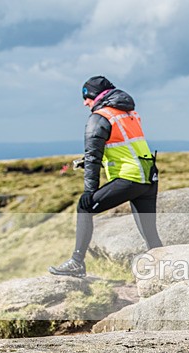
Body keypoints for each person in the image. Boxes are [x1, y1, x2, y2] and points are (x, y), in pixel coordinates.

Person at [50, 76, 162, 277]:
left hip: (129, 178)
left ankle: (77, 262)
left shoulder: (99, 117)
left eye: (86, 97)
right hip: (147, 177)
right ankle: (164, 270)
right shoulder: (129, 113)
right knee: (151, 236)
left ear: (95, 96)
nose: (85, 103)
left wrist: (89, 191)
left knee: (84, 207)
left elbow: (94, 156)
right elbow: (124, 147)